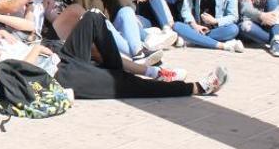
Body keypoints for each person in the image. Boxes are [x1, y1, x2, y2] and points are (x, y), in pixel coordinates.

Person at [54, 10, 228, 99]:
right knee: (122, 83)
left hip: (56, 53)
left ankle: (151, 71)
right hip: (54, 75)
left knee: (93, 16)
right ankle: (197, 87)